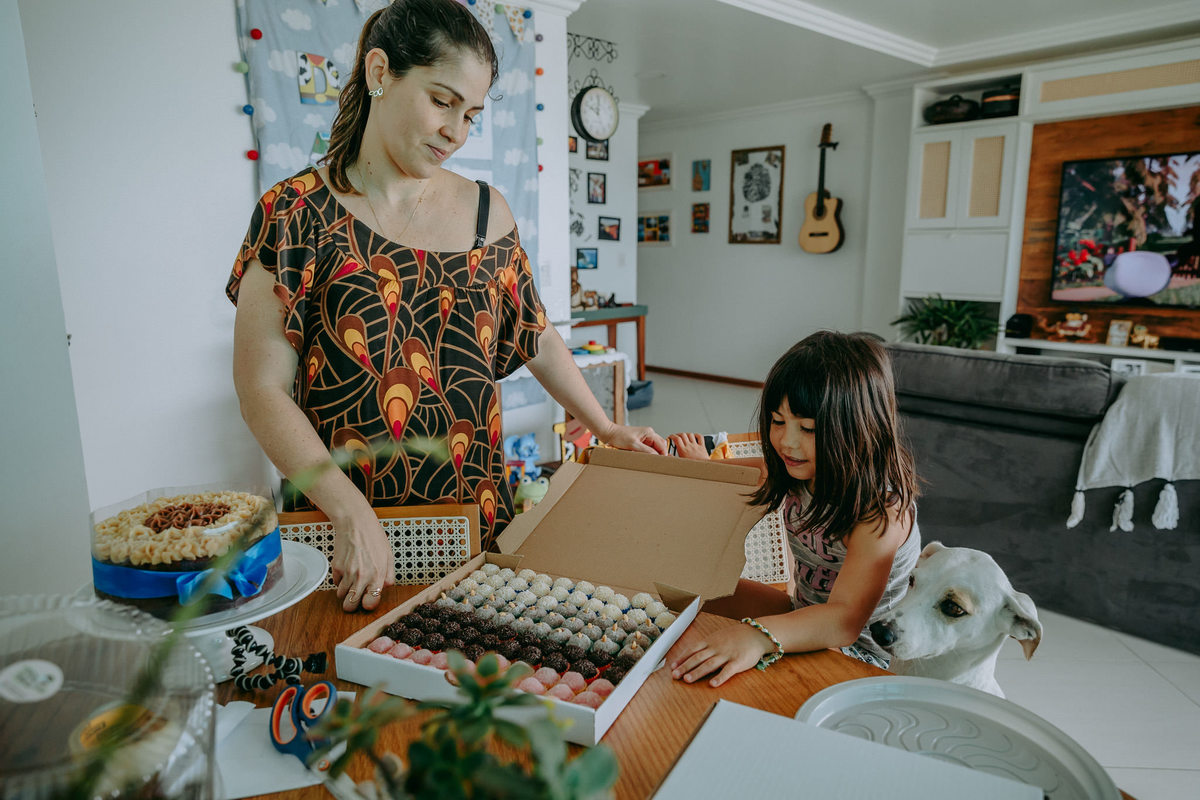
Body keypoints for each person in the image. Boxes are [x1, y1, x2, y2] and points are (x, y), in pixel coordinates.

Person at [228, 0, 666, 613]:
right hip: (349, 533)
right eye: (442, 101)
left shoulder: (490, 212)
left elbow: (533, 334)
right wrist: (349, 511)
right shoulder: (294, 213)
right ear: (380, 72)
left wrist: (606, 425)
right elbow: (261, 390)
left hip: (472, 521)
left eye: (472, 114)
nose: (456, 132)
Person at [665, 331, 920, 685]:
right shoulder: (797, 465)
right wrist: (697, 465)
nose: (787, 441)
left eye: (808, 428)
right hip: (801, 616)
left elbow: (844, 622)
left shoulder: (880, 510)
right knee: (680, 586)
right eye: (778, 421)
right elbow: (737, 476)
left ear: (858, 429)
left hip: (860, 655)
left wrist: (757, 635)